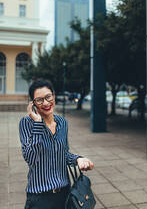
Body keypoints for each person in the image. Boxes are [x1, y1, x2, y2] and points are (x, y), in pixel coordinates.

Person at [19, 79, 94, 209]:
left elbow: (63, 154)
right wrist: (37, 123)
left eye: (48, 97)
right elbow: (31, 158)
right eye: (39, 100)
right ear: (33, 104)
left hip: (64, 194)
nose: (46, 103)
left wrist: (79, 159)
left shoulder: (62, 123)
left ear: (54, 95)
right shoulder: (27, 123)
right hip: (39, 197)